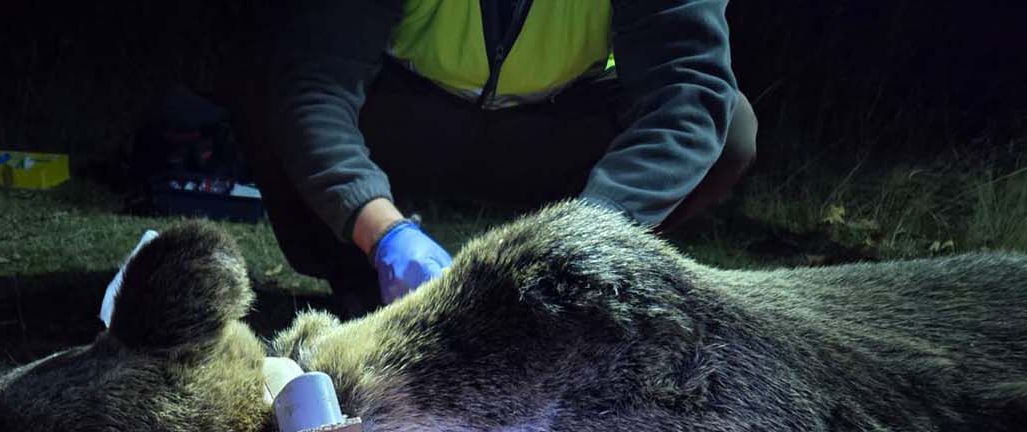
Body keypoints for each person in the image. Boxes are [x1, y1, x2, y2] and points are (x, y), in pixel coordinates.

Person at [227, 0, 758, 314]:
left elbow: (687, 92)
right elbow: (316, 82)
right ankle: (363, 286)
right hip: (409, 114)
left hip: (558, 127)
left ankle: (591, 292)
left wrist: (587, 234)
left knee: (729, 129)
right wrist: (383, 231)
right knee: (269, 72)